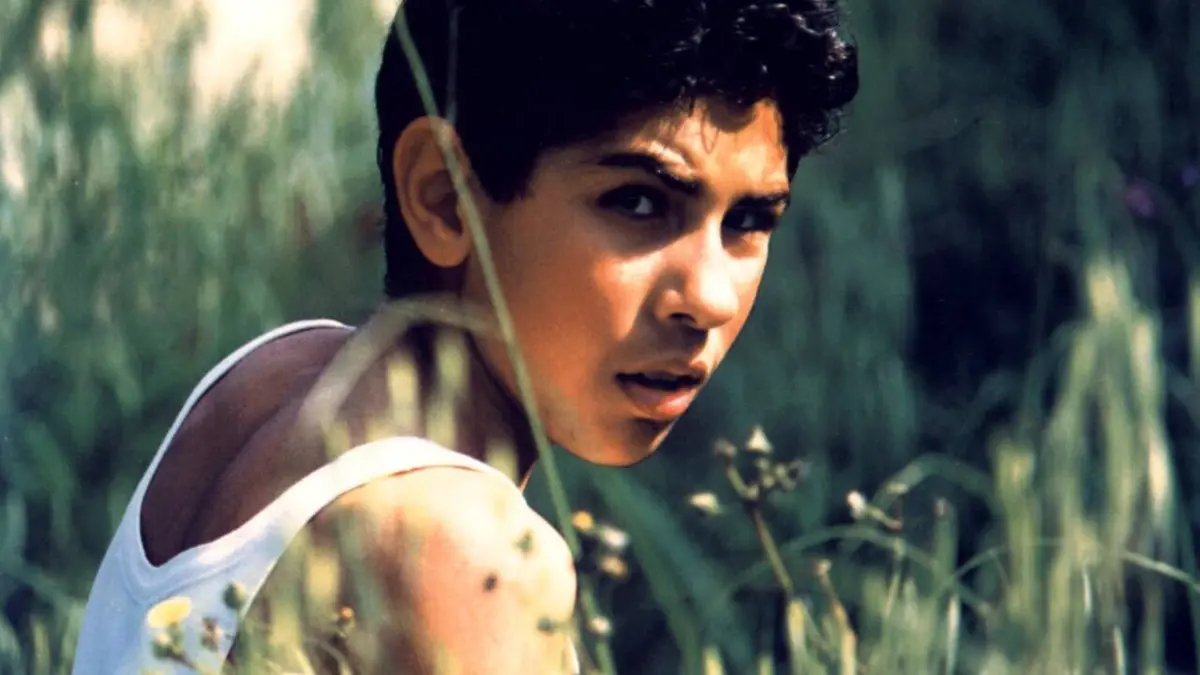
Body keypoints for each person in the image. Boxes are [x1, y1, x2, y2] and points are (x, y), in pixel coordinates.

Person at [71, 0, 858, 672]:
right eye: (639, 203)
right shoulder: (466, 552)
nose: (709, 298)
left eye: (750, 220)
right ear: (444, 196)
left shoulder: (266, 377)